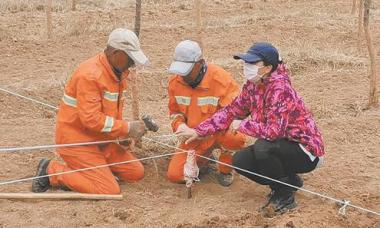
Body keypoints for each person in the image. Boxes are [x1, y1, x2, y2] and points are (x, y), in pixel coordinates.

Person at [177, 42, 325, 212]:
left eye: (253, 63)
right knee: (241, 161)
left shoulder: (280, 89)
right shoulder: (253, 86)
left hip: (306, 151)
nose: (247, 67)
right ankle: (291, 181)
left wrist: (242, 124)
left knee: (263, 148)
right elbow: (231, 111)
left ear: (268, 67)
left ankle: (284, 196)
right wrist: (198, 131)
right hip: (281, 146)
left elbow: (273, 132)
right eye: (246, 62)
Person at [32, 28, 150, 194]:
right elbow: (92, 119)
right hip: (77, 141)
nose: (133, 63)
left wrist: (120, 135)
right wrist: (127, 128)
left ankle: (95, 171)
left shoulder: (118, 73)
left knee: (135, 172)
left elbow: (110, 113)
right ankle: (52, 171)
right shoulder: (90, 75)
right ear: (116, 53)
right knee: (109, 190)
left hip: (101, 140)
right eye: (130, 57)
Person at [167, 40, 247, 186]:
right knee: (176, 175)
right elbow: (174, 112)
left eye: (187, 70)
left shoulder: (221, 80)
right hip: (193, 136)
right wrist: (179, 126)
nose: (182, 75)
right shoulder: (175, 82)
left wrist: (205, 132)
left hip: (219, 132)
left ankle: (225, 169)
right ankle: (205, 160)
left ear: (200, 63)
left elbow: (233, 115)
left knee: (234, 137)